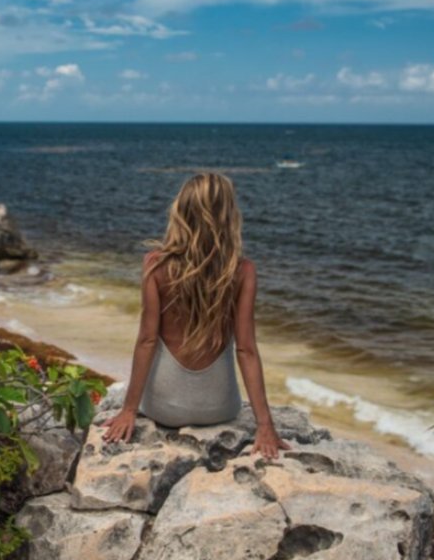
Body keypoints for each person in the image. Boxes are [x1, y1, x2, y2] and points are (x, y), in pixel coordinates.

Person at [98, 171, 291, 459]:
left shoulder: (155, 264)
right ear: (228, 215)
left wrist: (128, 411)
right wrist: (265, 426)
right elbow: (246, 350)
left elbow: (147, 341)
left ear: (182, 212)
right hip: (219, 408)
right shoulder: (243, 271)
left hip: (164, 408)